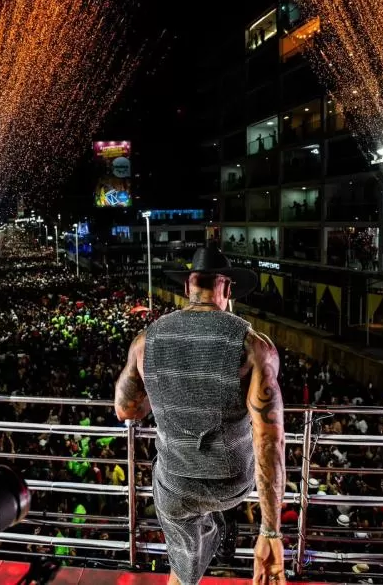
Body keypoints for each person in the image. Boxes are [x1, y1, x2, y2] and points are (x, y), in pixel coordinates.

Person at [114, 245, 286, 585]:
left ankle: (190, 561)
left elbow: (126, 409)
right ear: (227, 288)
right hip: (232, 483)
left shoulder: (145, 341)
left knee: (182, 563)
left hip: (175, 484)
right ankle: (215, 522)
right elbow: (270, 440)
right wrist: (270, 532)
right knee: (217, 497)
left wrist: (163, 392)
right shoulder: (253, 345)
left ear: (186, 286)